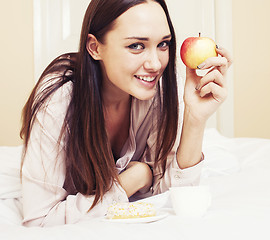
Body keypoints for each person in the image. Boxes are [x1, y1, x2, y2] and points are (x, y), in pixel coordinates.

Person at [20, 0, 232, 227]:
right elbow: (39, 220)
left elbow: (173, 196)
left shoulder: (159, 89)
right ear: (95, 47)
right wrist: (134, 178)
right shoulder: (59, 98)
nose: (155, 64)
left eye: (163, 44)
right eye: (136, 46)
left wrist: (195, 118)